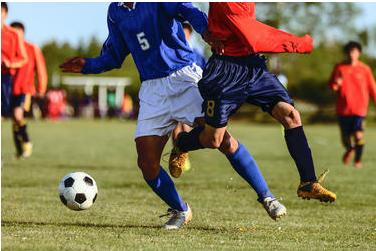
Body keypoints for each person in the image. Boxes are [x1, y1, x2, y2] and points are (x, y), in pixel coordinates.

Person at [60, 2, 285, 229]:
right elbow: (115, 55)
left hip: (184, 79)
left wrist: (206, 31)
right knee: (147, 163)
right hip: (152, 90)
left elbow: (189, 10)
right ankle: (180, 209)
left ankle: (267, 197)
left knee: (221, 139)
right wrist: (88, 65)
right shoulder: (115, 10)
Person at [170, 2, 337, 203]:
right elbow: (254, 37)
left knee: (291, 115)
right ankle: (182, 143)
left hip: (253, 66)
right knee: (214, 139)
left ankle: (308, 183)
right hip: (225, 71)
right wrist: (299, 44)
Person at [328, 41, 376, 168]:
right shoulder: (340, 68)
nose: (351, 54)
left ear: (359, 53)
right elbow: (331, 86)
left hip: (359, 109)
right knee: (345, 139)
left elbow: (373, 88)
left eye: (354, 52)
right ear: (346, 53)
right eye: (349, 52)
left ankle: (357, 161)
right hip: (343, 110)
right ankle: (349, 149)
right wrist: (336, 84)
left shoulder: (364, 69)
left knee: (358, 134)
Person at [171, 22, 208, 173]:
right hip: (175, 90)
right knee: (176, 123)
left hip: (193, 91)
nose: (184, 37)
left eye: (186, 34)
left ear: (190, 35)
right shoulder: (172, 51)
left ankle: (182, 150)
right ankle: (179, 153)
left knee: (186, 124)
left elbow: (206, 71)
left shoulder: (196, 53)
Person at [10, 21, 48, 158]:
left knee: (17, 115)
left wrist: (41, 89)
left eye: (17, 32)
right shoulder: (8, 49)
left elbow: (41, 69)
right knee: (14, 120)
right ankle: (20, 150)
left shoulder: (32, 48)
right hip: (8, 90)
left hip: (25, 89)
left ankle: (26, 142)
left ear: (23, 33)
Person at [1, 2, 28, 120]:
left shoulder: (13, 34)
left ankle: (23, 138)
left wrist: (10, 63)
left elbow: (23, 58)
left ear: (5, 14)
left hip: (4, 77)